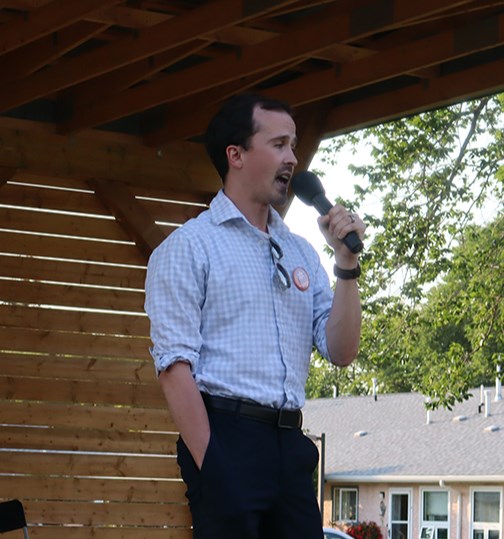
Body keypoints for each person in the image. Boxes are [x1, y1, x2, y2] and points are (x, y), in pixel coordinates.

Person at [144, 94, 365, 539]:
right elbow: (173, 368)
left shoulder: (301, 251)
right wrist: (213, 462)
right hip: (226, 437)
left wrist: (346, 265)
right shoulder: (191, 247)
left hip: (290, 445)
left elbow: (341, 351)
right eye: (279, 144)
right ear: (236, 155)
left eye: (295, 145)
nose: (293, 158)